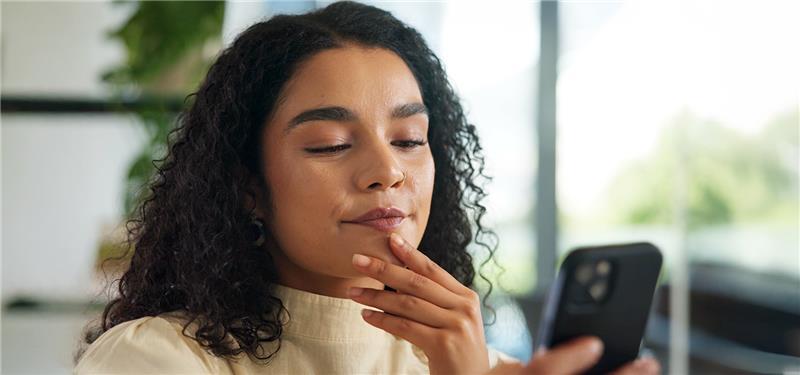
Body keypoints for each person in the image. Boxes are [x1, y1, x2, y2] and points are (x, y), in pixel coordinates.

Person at [75, 2, 660, 374]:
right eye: (330, 143)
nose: (388, 171)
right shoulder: (153, 359)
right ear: (247, 187)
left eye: (408, 139)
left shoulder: (475, 365)